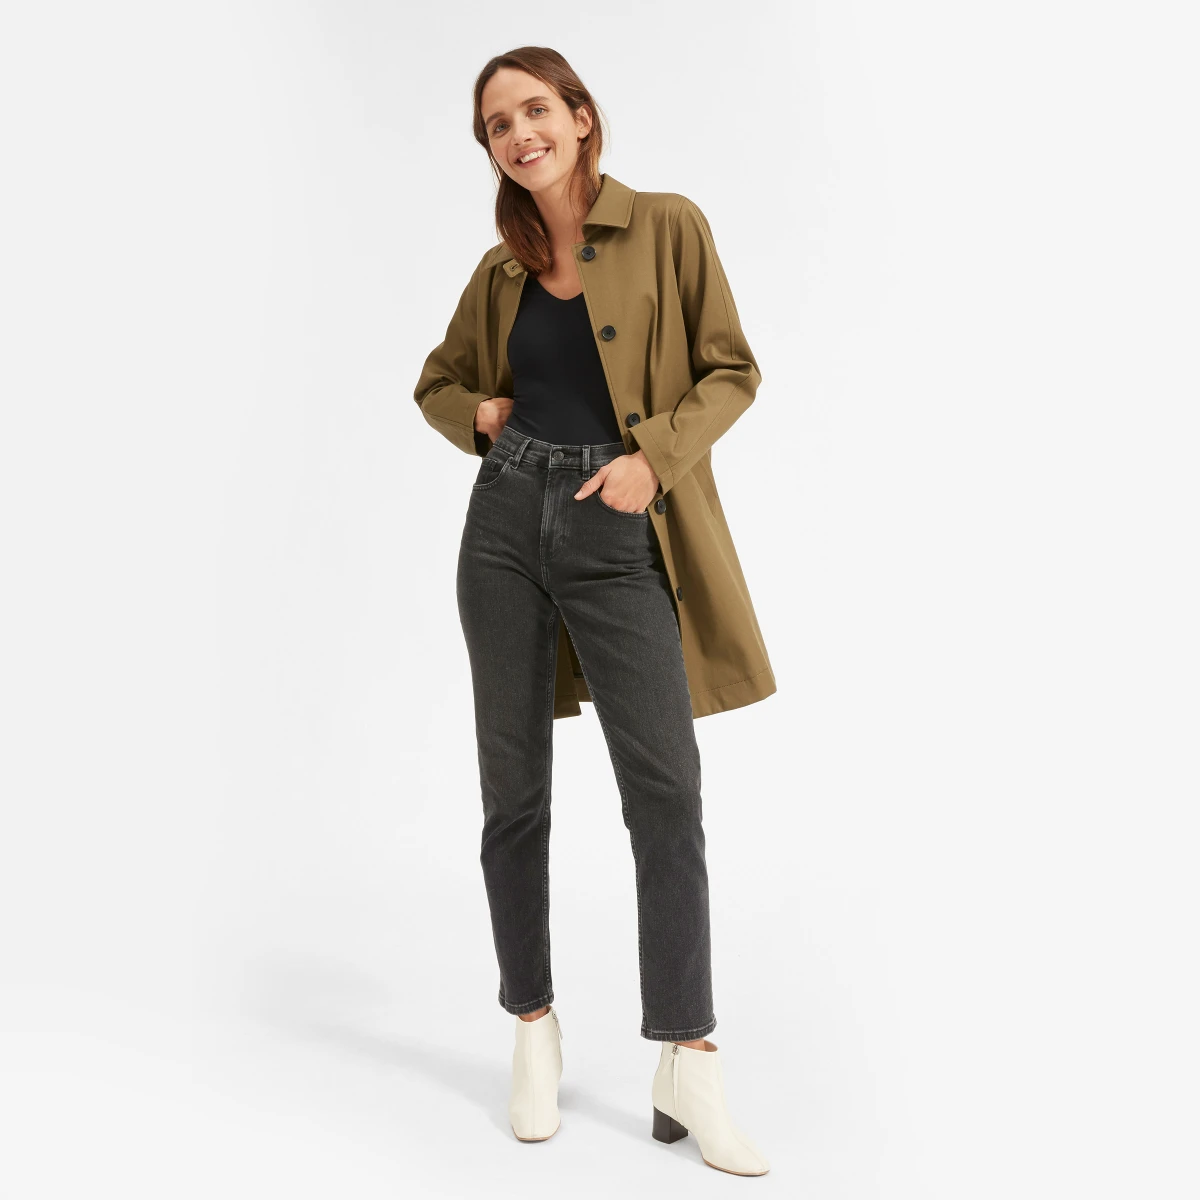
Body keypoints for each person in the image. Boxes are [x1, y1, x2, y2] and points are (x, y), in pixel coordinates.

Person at [413, 46, 774, 1176]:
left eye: (535, 110)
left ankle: (688, 1058)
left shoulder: (667, 225)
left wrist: (652, 460)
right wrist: (480, 415)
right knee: (512, 793)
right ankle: (533, 1027)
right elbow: (436, 383)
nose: (518, 134)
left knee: (666, 795)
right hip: (503, 529)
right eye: (496, 125)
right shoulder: (500, 272)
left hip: (623, 530)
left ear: (579, 115)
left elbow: (730, 369)